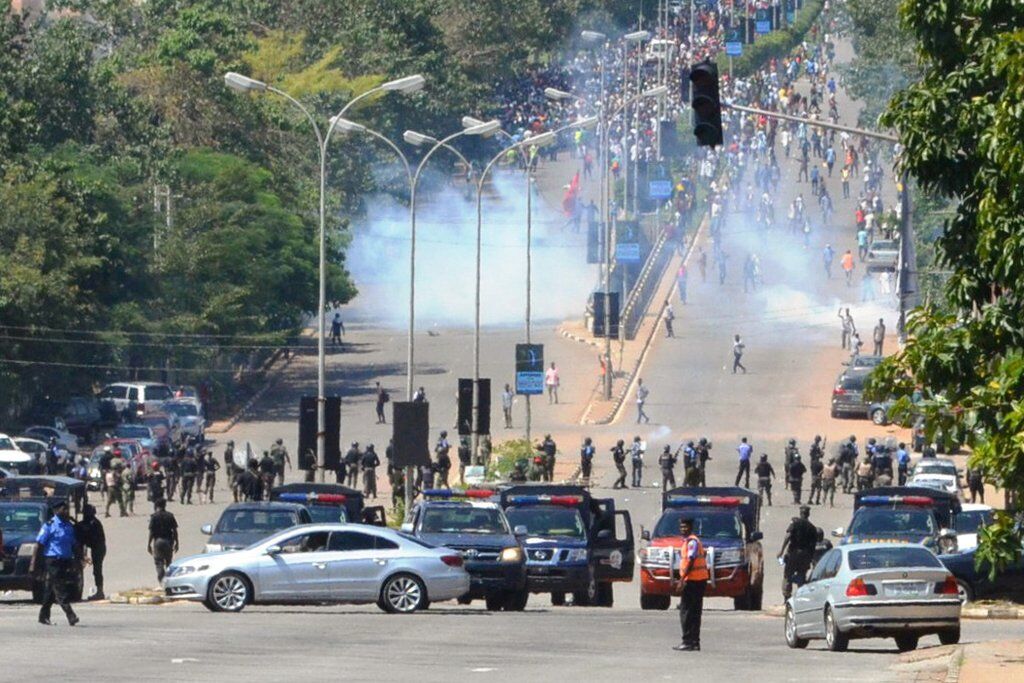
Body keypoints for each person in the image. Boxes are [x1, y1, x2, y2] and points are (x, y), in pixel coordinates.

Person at [32, 500, 80, 626]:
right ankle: (71, 615)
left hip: (66, 561)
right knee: (60, 588)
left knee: (51, 589)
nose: (66, 511)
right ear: (56, 511)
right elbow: (38, 545)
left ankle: (43, 616)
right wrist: (34, 564)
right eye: (63, 509)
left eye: (66, 509)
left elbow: (74, 545)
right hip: (52, 561)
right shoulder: (49, 525)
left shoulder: (69, 526)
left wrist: (78, 560)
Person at [672, 517, 709, 652]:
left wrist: (682, 579)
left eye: (685, 527)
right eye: (681, 527)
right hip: (698, 580)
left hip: (693, 581)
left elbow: (691, 559)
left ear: (690, 527)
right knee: (694, 612)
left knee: (687, 612)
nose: (683, 529)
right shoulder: (689, 541)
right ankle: (694, 642)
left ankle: (688, 641)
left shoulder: (692, 542)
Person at [777, 506, 818, 600]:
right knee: (802, 576)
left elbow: (788, 536)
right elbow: (813, 546)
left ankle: (787, 597)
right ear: (808, 514)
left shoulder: (795, 524)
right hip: (805, 555)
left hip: (793, 554)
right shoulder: (812, 528)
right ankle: (801, 597)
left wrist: (781, 550)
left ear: (800, 513)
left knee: (788, 575)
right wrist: (811, 559)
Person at [75, 504, 106, 600]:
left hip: (98, 548)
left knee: (97, 569)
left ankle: (100, 592)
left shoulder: (93, 523)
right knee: (97, 569)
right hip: (95, 547)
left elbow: (85, 530)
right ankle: (99, 591)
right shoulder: (90, 522)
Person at [148, 499, 178, 583]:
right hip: (168, 541)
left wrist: (149, 544)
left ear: (156, 506)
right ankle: (169, 580)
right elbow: (175, 530)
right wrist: (177, 542)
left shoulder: (154, 517)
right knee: (168, 561)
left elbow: (151, 532)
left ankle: (161, 579)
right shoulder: (170, 515)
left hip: (158, 541)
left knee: (159, 562)